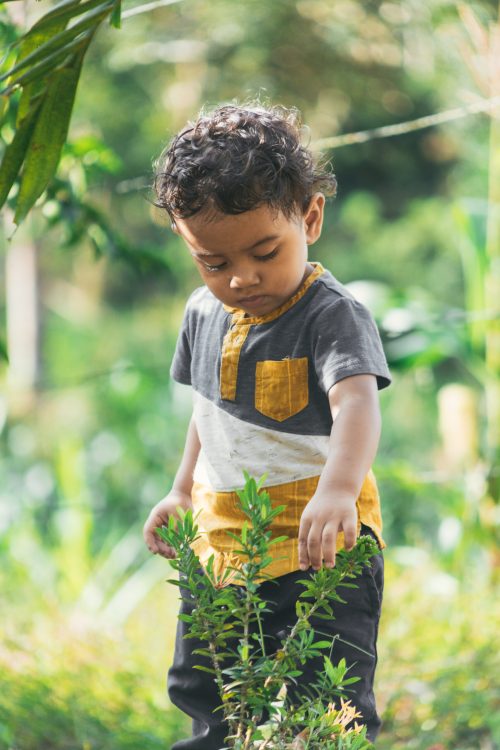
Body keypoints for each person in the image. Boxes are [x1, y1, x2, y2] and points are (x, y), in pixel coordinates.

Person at [143, 103, 391, 748]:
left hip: (323, 545)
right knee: (205, 689)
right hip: (225, 543)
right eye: (213, 262)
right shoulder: (202, 312)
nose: (241, 278)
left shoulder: (331, 315)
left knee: (329, 697)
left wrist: (338, 491)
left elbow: (358, 405)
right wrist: (179, 488)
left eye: (263, 252)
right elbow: (210, 412)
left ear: (309, 216)